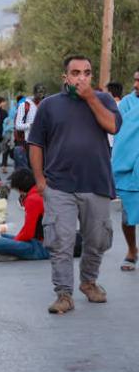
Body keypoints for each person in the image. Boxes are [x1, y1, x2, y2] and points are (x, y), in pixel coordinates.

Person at [28, 55, 121, 314]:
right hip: (59, 186)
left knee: (97, 239)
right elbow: (36, 144)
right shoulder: (49, 106)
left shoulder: (102, 100)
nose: (82, 77)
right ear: (65, 77)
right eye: (76, 72)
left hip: (97, 183)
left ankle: (89, 282)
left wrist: (90, 97)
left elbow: (112, 126)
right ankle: (63, 294)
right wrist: (40, 181)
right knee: (61, 241)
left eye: (87, 73)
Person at [0, 168, 49, 261]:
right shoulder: (39, 192)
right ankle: (9, 252)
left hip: (42, 247)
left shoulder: (33, 199)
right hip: (46, 242)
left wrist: (15, 242)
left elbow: (28, 233)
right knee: (5, 237)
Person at [113, 69, 139, 271]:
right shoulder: (127, 104)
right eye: (135, 80)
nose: (136, 85)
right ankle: (132, 249)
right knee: (127, 215)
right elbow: (120, 135)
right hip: (129, 167)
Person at [106, 81, 123, 151]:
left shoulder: (108, 107)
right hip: (120, 144)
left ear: (110, 93)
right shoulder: (125, 106)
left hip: (109, 144)